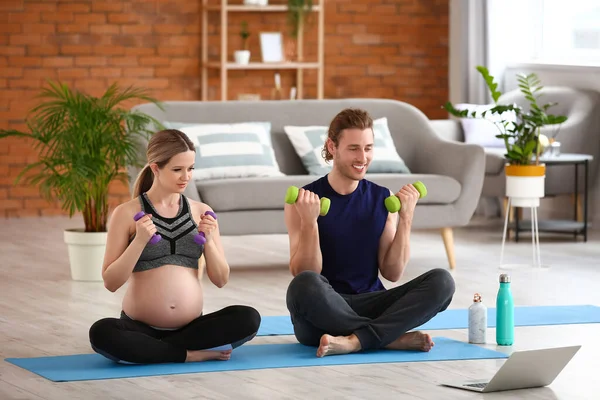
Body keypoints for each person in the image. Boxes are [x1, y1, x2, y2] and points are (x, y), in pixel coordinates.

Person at [284, 108, 455, 358]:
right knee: (303, 285)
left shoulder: (382, 199)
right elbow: (305, 272)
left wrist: (406, 218)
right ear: (332, 147)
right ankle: (388, 338)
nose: (362, 157)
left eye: (368, 148)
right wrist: (310, 223)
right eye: (353, 148)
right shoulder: (302, 201)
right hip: (323, 312)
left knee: (443, 281)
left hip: (372, 303)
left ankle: (355, 340)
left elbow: (392, 273)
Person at [89, 129, 261, 364]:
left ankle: (155, 351)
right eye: (177, 169)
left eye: (190, 168)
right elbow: (111, 282)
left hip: (191, 330)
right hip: (139, 328)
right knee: (101, 332)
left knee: (248, 318)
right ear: (156, 168)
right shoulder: (126, 213)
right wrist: (139, 241)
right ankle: (185, 354)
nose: (186, 176)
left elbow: (221, 279)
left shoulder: (202, 211)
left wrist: (208, 240)